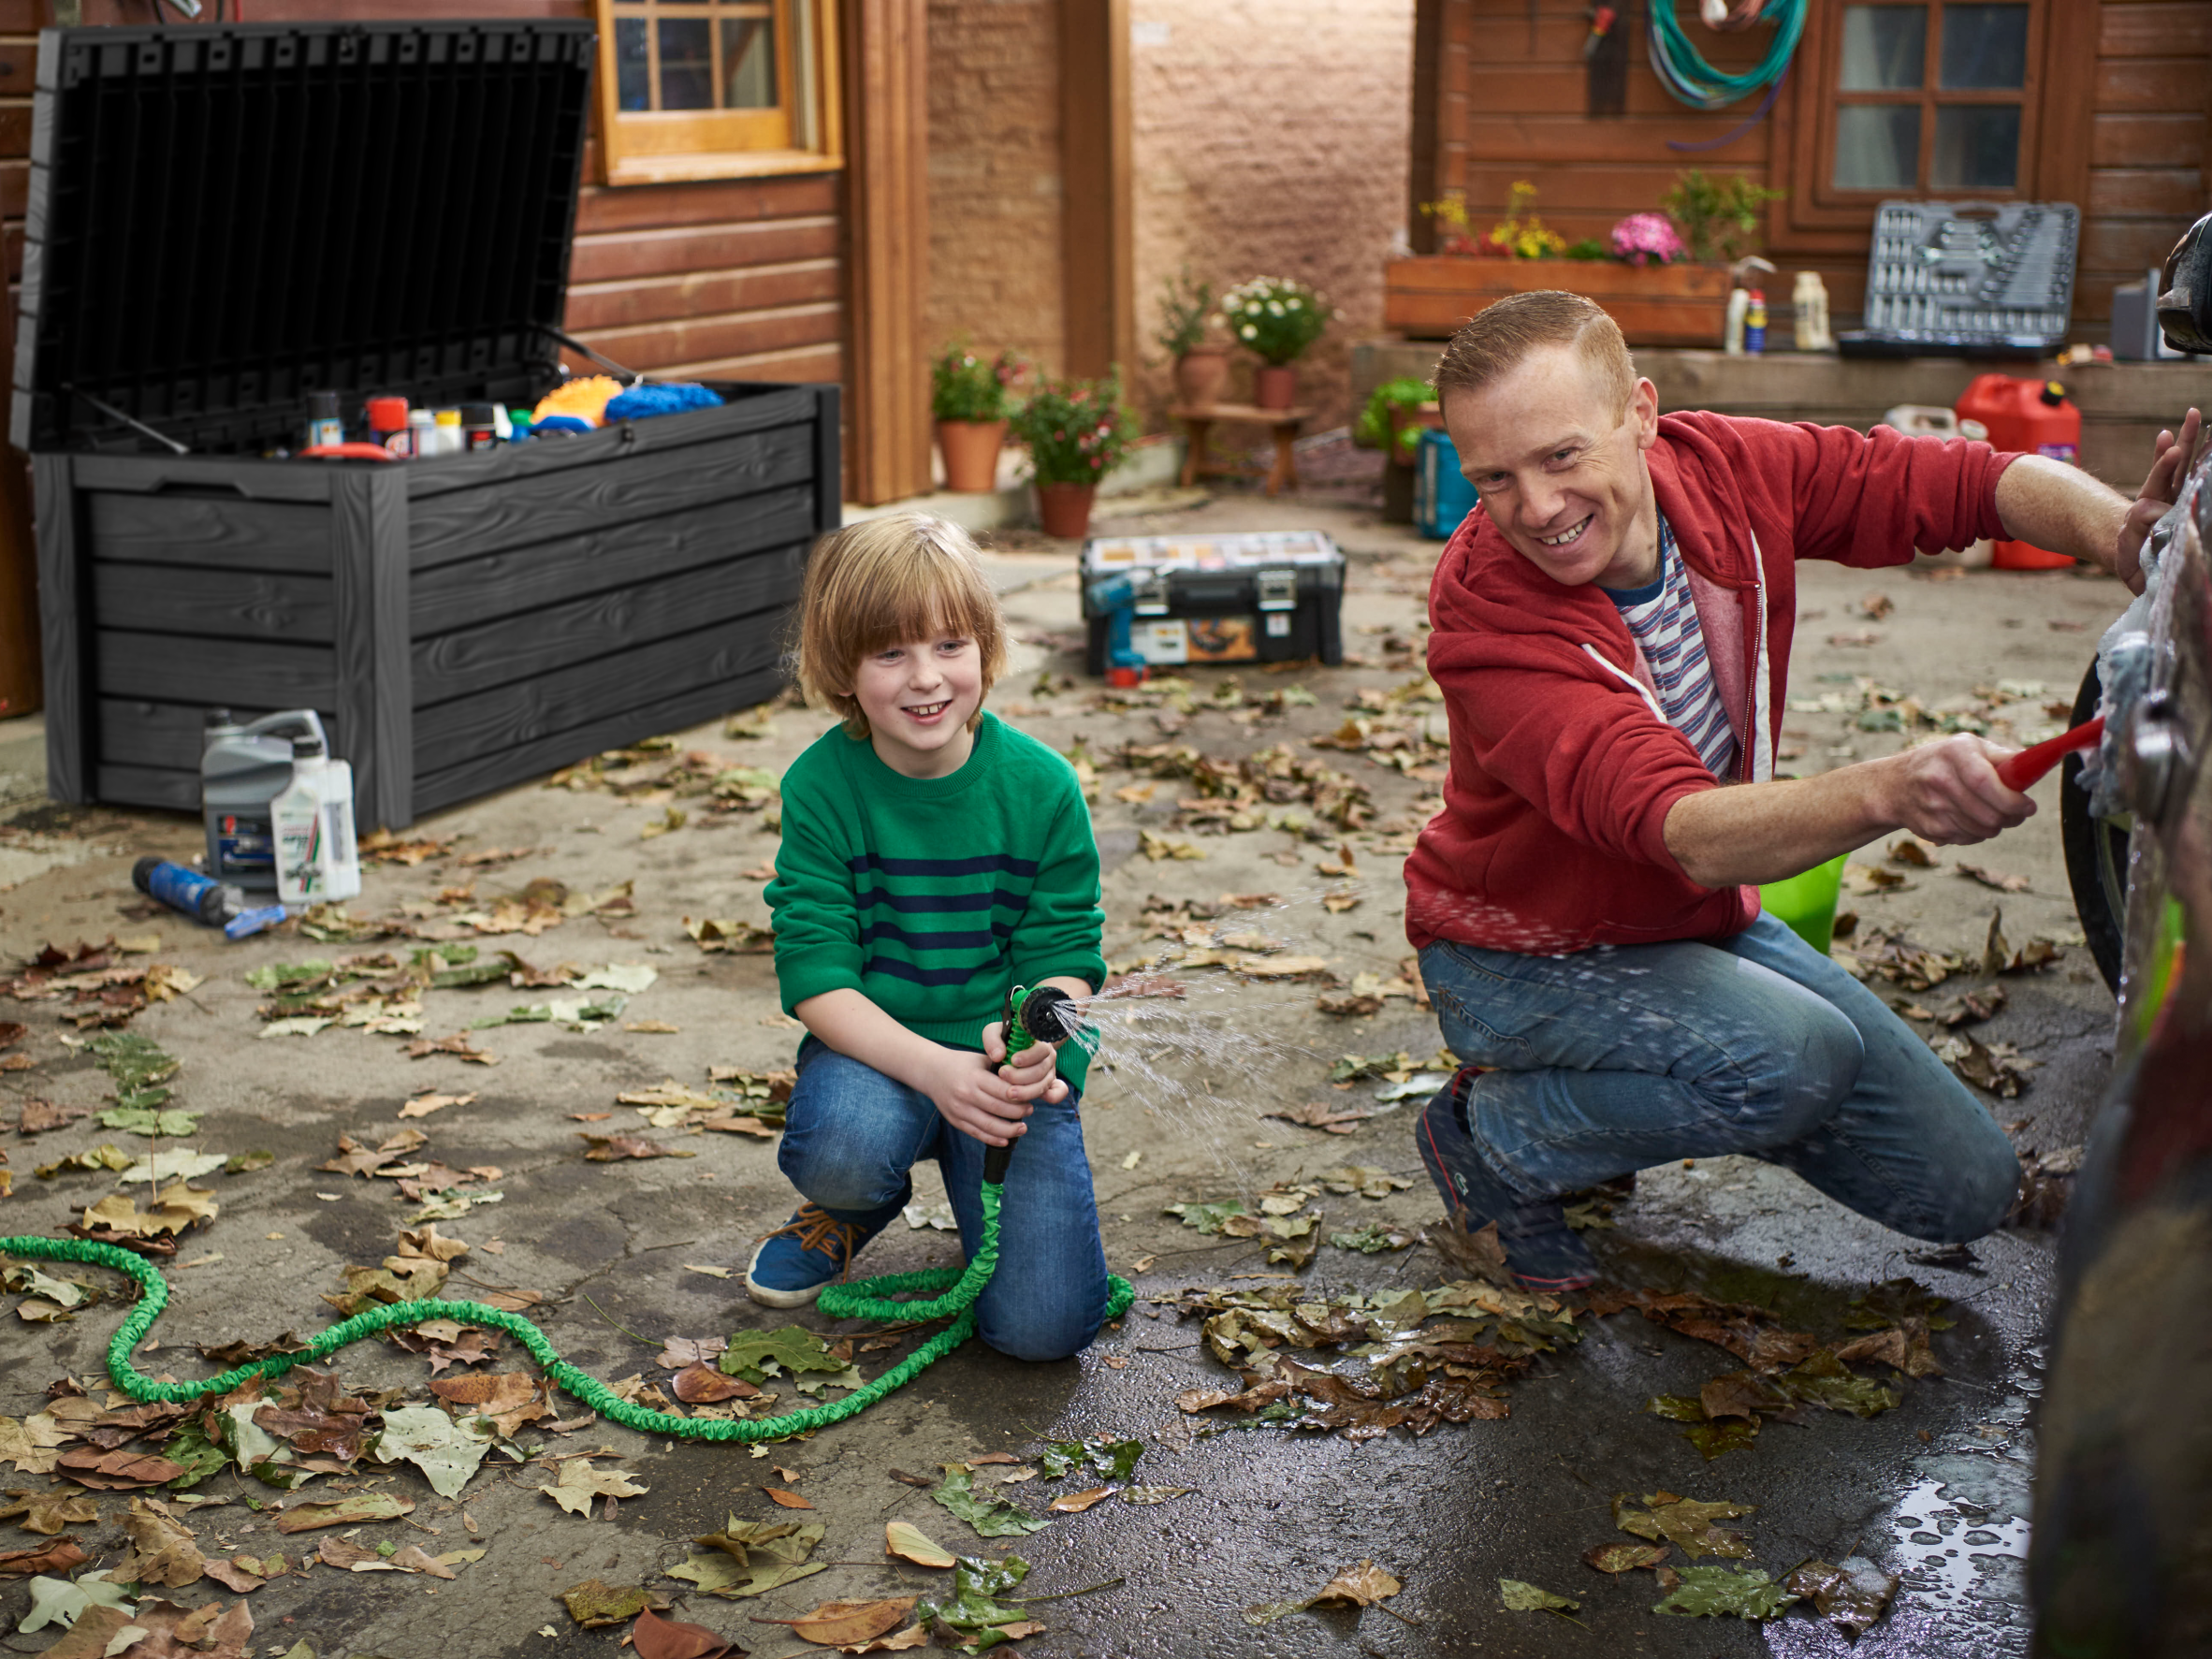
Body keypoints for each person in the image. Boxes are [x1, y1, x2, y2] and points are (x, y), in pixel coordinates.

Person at [1405, 289, 2204, 1291]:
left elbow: (1971, 481)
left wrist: (2126, 540)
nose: (1536, 509)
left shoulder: (1725, 472)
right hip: (1520, 954)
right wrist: (1891, 788)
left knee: (1965, 1189)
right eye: (1494, 479)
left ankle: (1592, 1125)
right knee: (1792, 1059)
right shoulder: (1487, 613)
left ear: (1641, 415)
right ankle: (1497, 1137)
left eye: (1562, 456)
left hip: (1684, 921)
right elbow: (1680, 828)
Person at [749, 513, 1110, 1362]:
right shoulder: (823, 788)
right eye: (889, 654)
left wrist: (1037, 1038)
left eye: (950, 645)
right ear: (842, 668)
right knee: (844, 1146)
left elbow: (1066, 953)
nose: (926, 679)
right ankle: (853, 1204)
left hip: (1004, 1070)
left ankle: (974, 1175)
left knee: (1042, 1330)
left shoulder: (1043, 788)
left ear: (986, 647)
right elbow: (817, 974)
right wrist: (935, 1069)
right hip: (883, 1057)